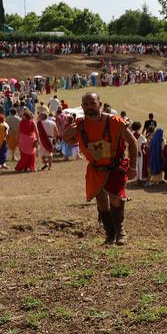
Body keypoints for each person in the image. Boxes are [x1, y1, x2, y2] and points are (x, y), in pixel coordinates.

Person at [64, 92, 138, 245]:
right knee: (102, 202)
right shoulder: (81, 125)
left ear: (99, 103)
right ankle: (110, 235)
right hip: (96, 168)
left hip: (115, 166)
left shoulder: (115, 122)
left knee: (116, 198)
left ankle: (120, 231)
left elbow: (132, 142)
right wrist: (70, 132)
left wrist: (133, 167)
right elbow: (67, 139)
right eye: (85, 104)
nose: (89, 107)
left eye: (92, 103)